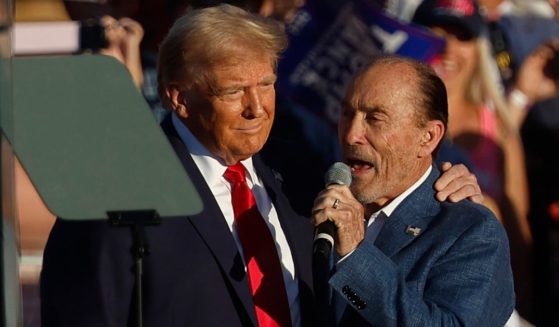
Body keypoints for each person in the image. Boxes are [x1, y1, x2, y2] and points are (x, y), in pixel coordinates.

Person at [40, 5, 484, 326]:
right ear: (179, 96)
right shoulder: (116, 198)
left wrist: (444, 183)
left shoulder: (304, 174)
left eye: (267, 84)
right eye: (234, 91)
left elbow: (393, 184)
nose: (257, 108)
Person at [313, 55, 515, 326]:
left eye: (375, 118)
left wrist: (355, 257)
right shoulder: (315, 197)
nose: (351, 134)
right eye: (347, 113)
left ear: (428, 137)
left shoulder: (471, 232)